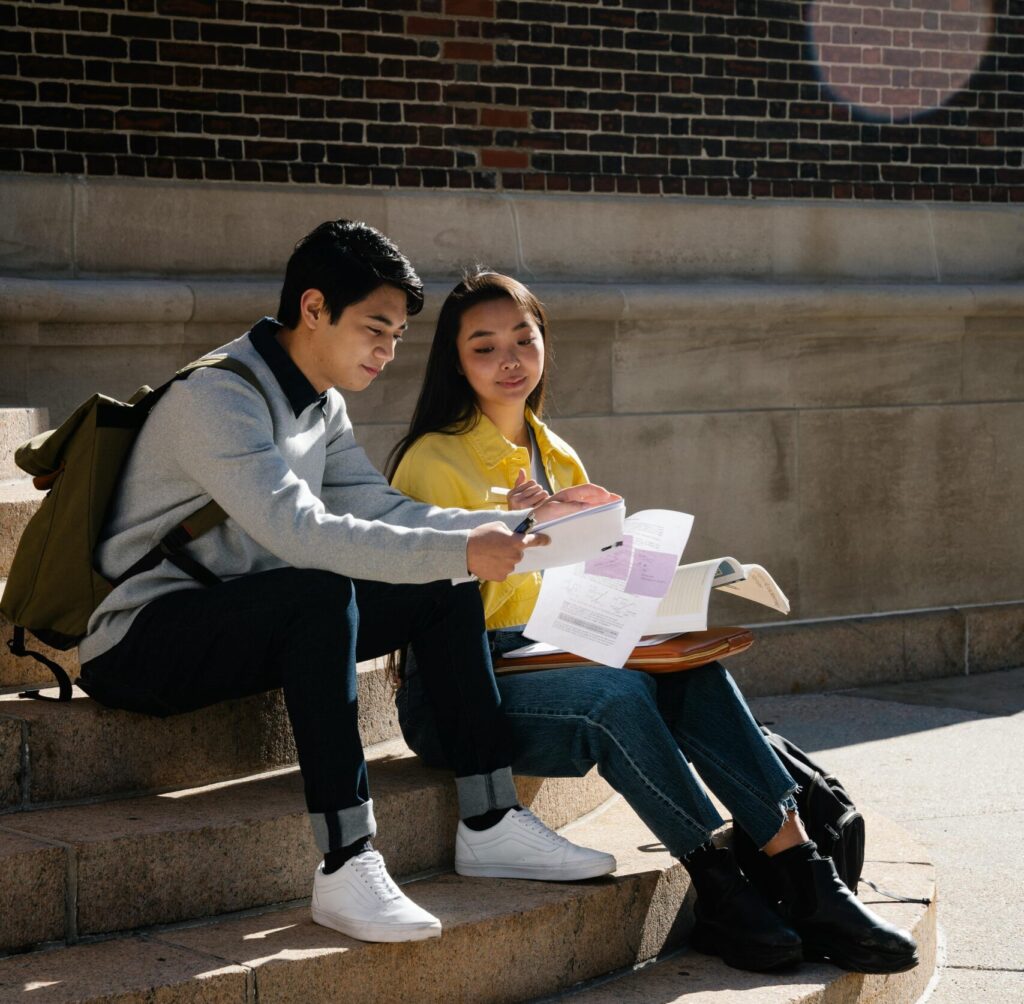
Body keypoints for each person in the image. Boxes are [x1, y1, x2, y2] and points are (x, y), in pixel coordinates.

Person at [76, 223, 618, 946]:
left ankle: (490, 823)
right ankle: (346, 860)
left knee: (441, 582)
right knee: (325, 589)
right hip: (142, 640)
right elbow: (301, 531)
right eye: (375, 329)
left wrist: (505, 527)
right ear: (312, 308)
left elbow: (380, 506)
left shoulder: (321, 403)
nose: (387, 353)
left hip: (249, 618)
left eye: (396, 336)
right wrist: (462, 546)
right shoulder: (219, 399)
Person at [387, 270, 920, 974]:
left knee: (693, 666)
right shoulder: (431, 460)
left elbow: (581, 583)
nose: (509, 358)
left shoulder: (560, 455)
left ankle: (804, 874)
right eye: (484, 347)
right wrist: (518, 528)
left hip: (560, 654)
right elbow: (428, 607)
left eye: (524, 337)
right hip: (469, 688)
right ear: (455, 362)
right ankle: (718, 885)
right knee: (621, 696)